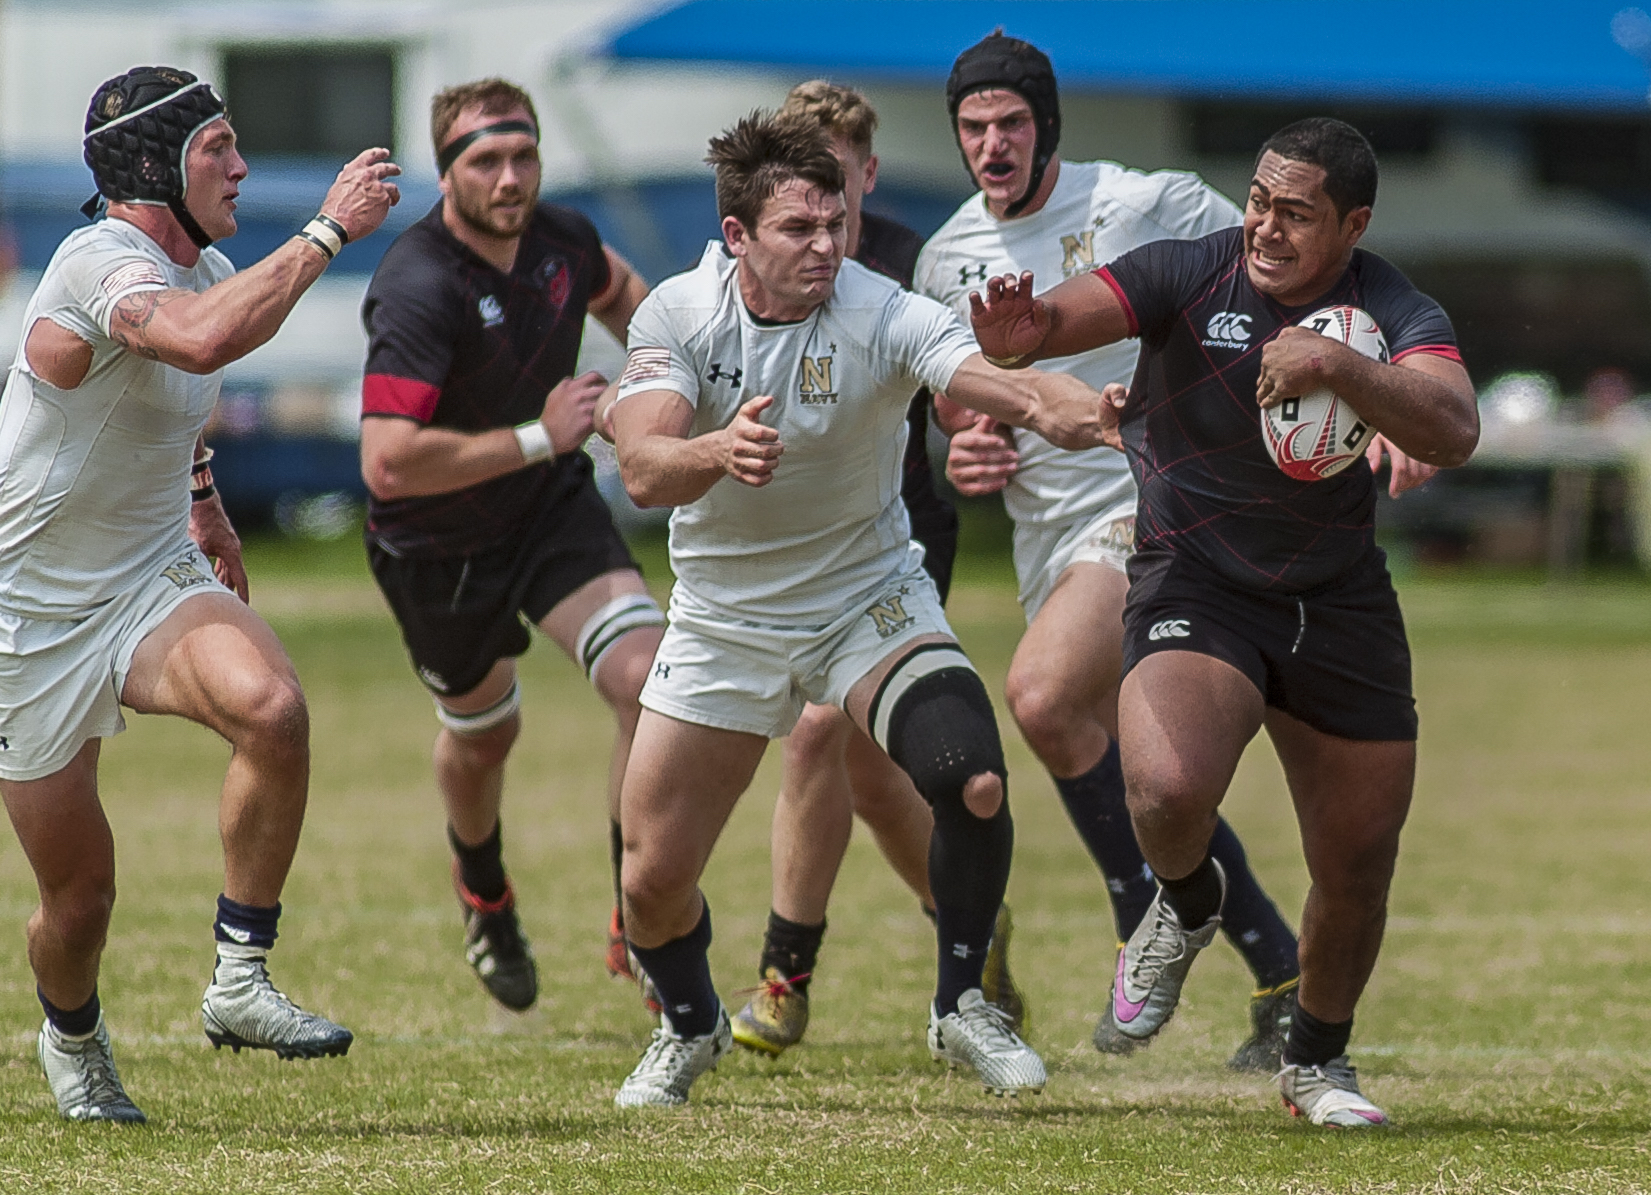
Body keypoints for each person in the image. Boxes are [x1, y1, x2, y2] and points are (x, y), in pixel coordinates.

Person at [970, 116, 1478, 1126]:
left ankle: (1317, 1065)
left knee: (1356, 864)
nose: (1266, 227)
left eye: (1295, 213)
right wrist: (1018, 332)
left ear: (1352, 223)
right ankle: (1189, 897)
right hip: (1193, 577)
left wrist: (1339, 369)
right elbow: (1061, 320)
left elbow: (1453, 425)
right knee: (1164, 788)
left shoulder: (1389, 302)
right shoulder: (1187, 272)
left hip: (1337, 599)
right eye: (1258, 200)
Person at [600, 111, 1112, 1106]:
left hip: (866, 598)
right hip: (722, 620)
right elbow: (644, 463)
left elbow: (985, 380)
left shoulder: (879, 306)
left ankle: (961, 1004)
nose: (827, 247)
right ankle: (692, 1023)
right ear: (738, 235)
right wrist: (716, 452)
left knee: (969, 779)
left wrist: (1068, 406)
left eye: (836, 224)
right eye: (800, 229)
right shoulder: (679, 314)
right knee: (651, 878)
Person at [0, 66, 399, 1123]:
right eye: (218, 146)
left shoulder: (211, 264)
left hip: (143, 574)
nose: (241, 165)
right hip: (26, 613)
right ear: (155, 163)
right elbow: (193, 339)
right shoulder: (97, 262)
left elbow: (173, 395)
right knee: (78, 901)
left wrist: (202, 497)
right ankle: (72, 1037)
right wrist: (325, 231)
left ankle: (238, 979)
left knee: (272, 708)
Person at [916, 31, 1306, 1069]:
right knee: (1149, 775)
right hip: (1051, 543)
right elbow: (960, 411)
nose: (992, 144)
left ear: (1047, 124)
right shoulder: (945, 254)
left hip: (1156, 502)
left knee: (1041, 697)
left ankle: (1148, 924)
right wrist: (971, 448)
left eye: (1009, 123)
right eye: (973, 127)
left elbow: (1276, 279)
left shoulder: (1146, 203)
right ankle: (1280, 975)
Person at [727, 80, 1023, 1059]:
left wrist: (974, 432)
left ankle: (784, 975)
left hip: (888, 542)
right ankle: (967, 913)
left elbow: (954, 386)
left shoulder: (909, 264)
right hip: (775, 550)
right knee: (857, 761)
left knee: (820, 739)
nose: (820, 211)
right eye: (799, 185)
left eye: (839, 178)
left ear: (868, 171)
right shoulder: (740, 264)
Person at [358, 78, 658, 1014]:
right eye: (485, 159)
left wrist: (652, 390)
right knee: (488, 737)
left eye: (523, 154)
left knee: (650, 684)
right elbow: (388, 464)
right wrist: (543, 434)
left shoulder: (564, 239)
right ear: (447, 173)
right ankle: (484, 889)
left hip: (548, 510)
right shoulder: (419, 282)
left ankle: (642, 911)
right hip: (437, 546)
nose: (510, 175)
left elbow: (636, 306)